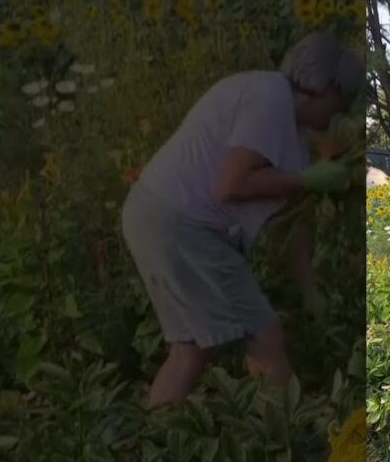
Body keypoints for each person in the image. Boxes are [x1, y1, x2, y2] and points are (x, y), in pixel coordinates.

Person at [121, 32, 361, 407]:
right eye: (340, 102)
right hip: (183, 225)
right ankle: (286, 440)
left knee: (190, 349)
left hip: (153, 214)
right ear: (322, 86)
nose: (337, 116)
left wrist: (310, 290)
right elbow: (231, 185)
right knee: (263, 335)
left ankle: (158, 441)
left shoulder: (291, 131)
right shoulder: (269, 98)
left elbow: (289, 222)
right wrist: (307, 179)